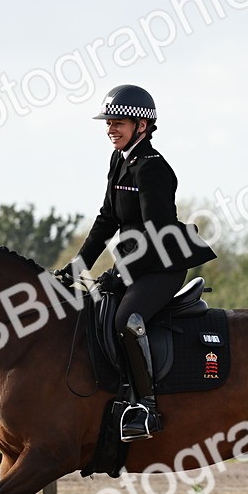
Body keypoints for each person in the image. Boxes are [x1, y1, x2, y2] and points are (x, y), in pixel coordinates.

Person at [54, 84, 216, 442]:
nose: (110, 128)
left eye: (118, 122)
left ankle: (146, 407)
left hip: (162, 264)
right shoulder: (120, 160)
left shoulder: (152, 169)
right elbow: (106, 218)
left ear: (141, 126)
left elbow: (155, 234)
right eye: (108, 122)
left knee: (127, 320)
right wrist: (79, 266)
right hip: (137, 262)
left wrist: (117, 274)